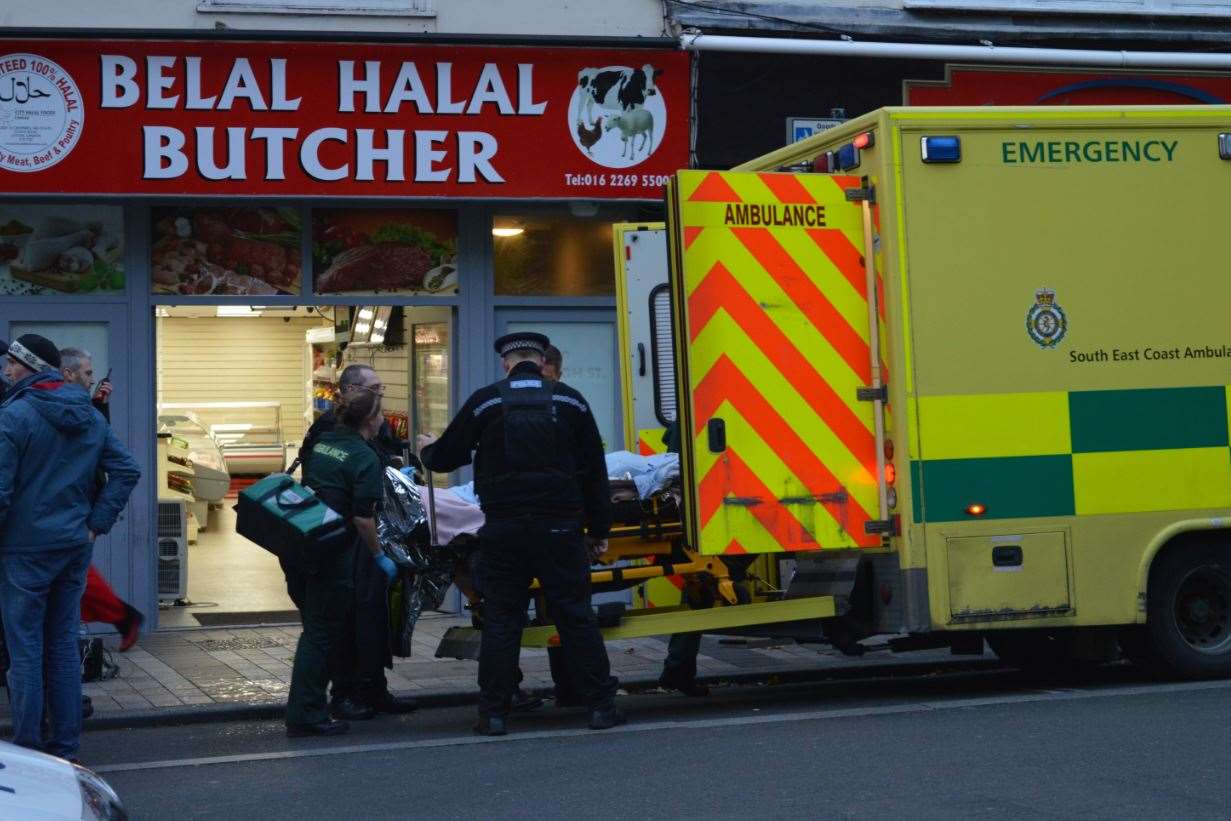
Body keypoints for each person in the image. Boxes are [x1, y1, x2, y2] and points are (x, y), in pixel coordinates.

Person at [418, 331, 622, 736]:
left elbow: (446, 456)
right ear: (542, 359)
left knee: (502, 619)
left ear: (505, 363)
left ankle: (493, 713)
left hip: (504, 530)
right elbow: (595, 473)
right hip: (560, 529)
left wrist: (426, 448)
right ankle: (600, 707)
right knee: (575, 616)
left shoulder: (487, 401)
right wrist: (598, 529)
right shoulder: (571, 400)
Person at [0, 334, 140, 760]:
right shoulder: (88, 414)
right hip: (73, 547)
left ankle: (28, 749)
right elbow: (127, 470)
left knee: (24, 652)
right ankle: (64, 747)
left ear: (27, 367)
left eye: (10, 364)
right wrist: (95, 526)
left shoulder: (13, 416)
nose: (5, 371)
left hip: (23, 551)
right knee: (61, 647)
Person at [284, 364, 400, 738]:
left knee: (332, 626)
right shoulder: (355, 451)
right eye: (377, 397)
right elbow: (362, 516)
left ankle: (362, 690)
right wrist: (380, 555)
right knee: (326, 631)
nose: (384, 414)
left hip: (312, 542)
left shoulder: (328, 441)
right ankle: (313, 709)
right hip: (336, 547)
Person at [59, 348, 144, 652]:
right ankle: (123, 617)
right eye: (89, 373)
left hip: (76, 508)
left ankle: (123, 617)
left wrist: (95, 525)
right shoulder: (64, 407)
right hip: (73, 509)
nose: (92, 379)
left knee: (75, 577)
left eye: (91, 373)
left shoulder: (80, 411)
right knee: (75, 578)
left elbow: (103, 456)